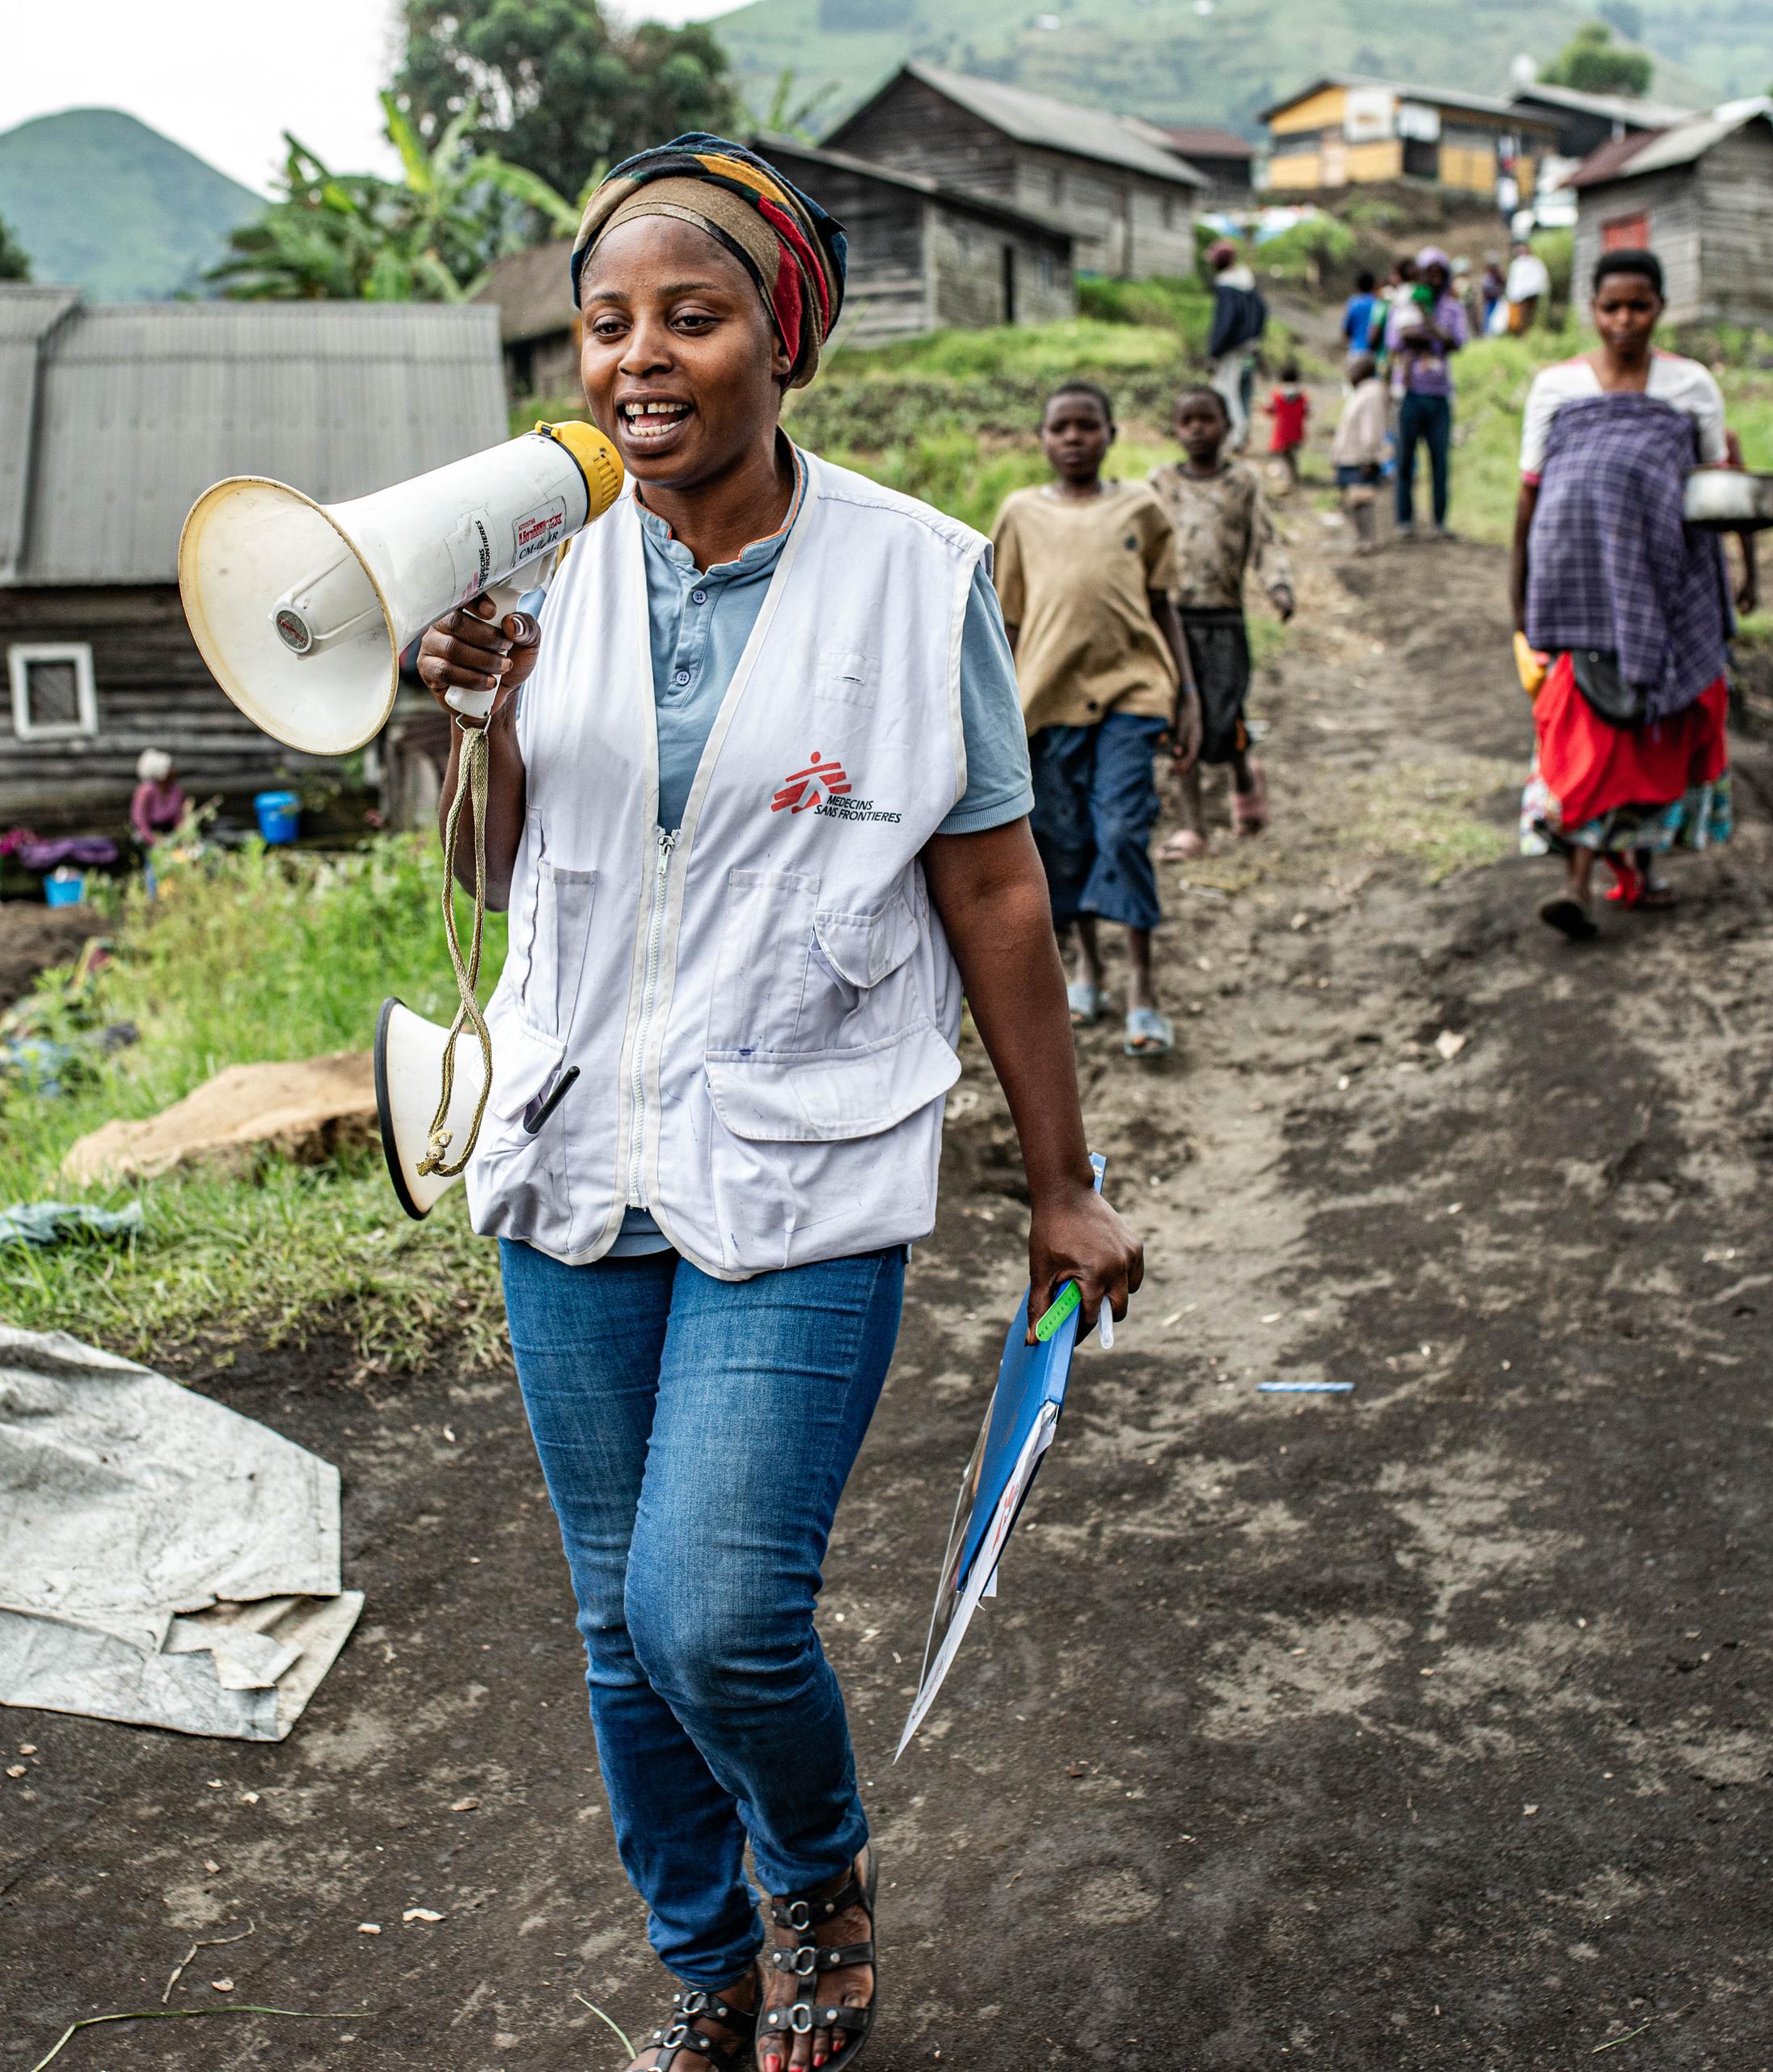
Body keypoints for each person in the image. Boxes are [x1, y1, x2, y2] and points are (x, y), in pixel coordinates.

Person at [410, 134, 1141, 2072]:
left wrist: (1058, 1185)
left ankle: (811, 1866)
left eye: (691, 317)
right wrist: (461, 719)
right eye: (604, 324)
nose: (638, 359)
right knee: (608, 1624)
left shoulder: (910, 577)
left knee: (710, 1606)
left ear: (780, 344)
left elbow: (990, 884)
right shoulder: (533, 567)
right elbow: (488, 875)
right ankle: (703, 1970)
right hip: (569, 1157)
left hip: (803, 1162)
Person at [1506, 246, 1759, 939]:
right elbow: (1530, 499)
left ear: (1660, 309)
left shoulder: (1690, 386)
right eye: (1612, 307)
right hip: (1580, 593)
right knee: (1590, 729)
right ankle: (1579, 880)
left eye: (1639, 306)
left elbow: (1719, 492)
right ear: (1592, 311)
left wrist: (1748, 571)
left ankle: (1639, 871)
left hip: (1673, 586)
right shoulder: (1556, 388)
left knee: (1664, 724)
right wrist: (1519, 601)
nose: (1625, 320)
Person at [992, 378, 1198, 1059]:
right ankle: (1088, 968)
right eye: (1061, 427)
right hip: (1045, 705)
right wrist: (992, 714)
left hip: (1131, 698)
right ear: (1043, 439)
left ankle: (1143, 982)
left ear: (1112, 433)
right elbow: (1007, 622)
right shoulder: (1021, 514)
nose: (1074, 437)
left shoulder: (1141, 508)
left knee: (1124, 830)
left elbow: (1165, 605)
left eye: (1088, 425)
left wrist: (1186, 694)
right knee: (1063, 841)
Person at [1150, 384, 1294, 857]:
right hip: (1171, 620)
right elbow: (1140, 544)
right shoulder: (1161, 483)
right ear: (1175, 429)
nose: (1196, 429)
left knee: (1224, 715)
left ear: (1228, 427)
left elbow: (1265, 539)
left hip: (1226, 619)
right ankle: (1194, 827)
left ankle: (1244, 774)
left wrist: (1278, 585)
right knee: (1180, 721)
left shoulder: (1244, 482)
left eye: (1206, 419)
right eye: (1186, 421)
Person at [1388, 245, 1468, 540]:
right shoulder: (1404, 302)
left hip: (1439, 394)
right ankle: (1405, 521)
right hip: (1410, 393)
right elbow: (1397, 341)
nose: (1434, 279)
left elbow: (1456, 341)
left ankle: (1439, 522)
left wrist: (1426, 331)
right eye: (1429, 272)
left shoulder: (1452, 308)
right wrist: (1436, 336)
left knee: (1440, 463)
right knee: (1405, 460)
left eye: (1439, 273)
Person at [1203, 238, 1268, 451]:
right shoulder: (1246, 281)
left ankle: (1235, 435)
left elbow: (1225, 321)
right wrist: (1254, 337)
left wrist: (1215, 350)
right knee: (1239, 390)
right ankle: (1239, 433)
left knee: (1226, 390)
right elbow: (1262, 310)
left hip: (1231, 347)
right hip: (1246, 345)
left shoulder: (1227, 285)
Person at [1330, 352, 1394, 552]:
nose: (1348, 372)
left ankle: (1367, 539)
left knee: (1362, 498)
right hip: (1351, 455)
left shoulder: (1371, 395)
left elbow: (1371, 429)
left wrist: (1369, 455)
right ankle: (1361, 539)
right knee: (1354, 499)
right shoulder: (1362, 393)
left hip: (1360, 456)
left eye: (1352, 368)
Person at [1263, 360, 1311, 490]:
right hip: (1296, 432)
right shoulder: (1303, 396)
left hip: (1281, 433)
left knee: (1283, 457)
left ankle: (1285, 481)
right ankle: (1294, 477)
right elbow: (1307, 411)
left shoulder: (1277, 395)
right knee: (1291, 456)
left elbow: (1268, 409)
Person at [129, 749, 187, 846]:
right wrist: (156, 842)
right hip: (148, 836)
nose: (175, 771)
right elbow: (140, 823)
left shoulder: (176, 791)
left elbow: (178, 818)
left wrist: (180, 836)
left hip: (169, 835)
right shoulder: (146, 792)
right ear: (161, 773)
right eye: (170, 768)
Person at [1503, 238, 1551, 335]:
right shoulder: (1517, 265)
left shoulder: (1535, 263)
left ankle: (1532, 332)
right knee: (1521, 316)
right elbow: (1514, 281)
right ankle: (1523, 334)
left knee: (1532, 315)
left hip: (1532, 295)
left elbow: (1540, 277)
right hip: (1520, 297)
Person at [1340, 269, 1383, 361]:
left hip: (1356, 351)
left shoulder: (1353, 303)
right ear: (1374, 285)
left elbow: (1346, 331)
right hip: (1376, 354)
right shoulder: (1379, 303)